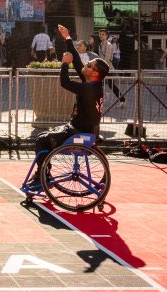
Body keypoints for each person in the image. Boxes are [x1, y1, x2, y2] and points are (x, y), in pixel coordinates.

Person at [27, 25, 110, 187]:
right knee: (46, 136)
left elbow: (65, 82)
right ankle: (44, 172)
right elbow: (78, 62)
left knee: (41, 140)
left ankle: (43, 175)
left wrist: (64, 64)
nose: (85, 66)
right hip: (85, 131)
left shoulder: (89, 89)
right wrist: (67, 38)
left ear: (94, 73)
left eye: (89, 65)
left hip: (77, 133)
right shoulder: (93, 84)